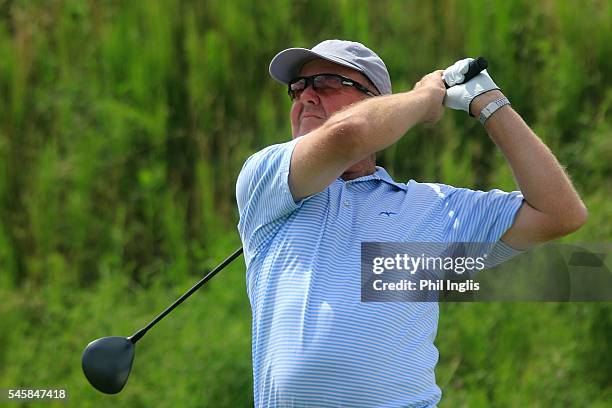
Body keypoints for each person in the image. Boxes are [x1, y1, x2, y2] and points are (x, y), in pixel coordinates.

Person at [235, 39, 587, 407]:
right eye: (297, 88)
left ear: (377, 102)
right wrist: (425, 98)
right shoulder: (266, 178)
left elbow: (559, 213)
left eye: (325, 83)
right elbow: (347, 136)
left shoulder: (430, 207)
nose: (305, 96)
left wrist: (490, 103)